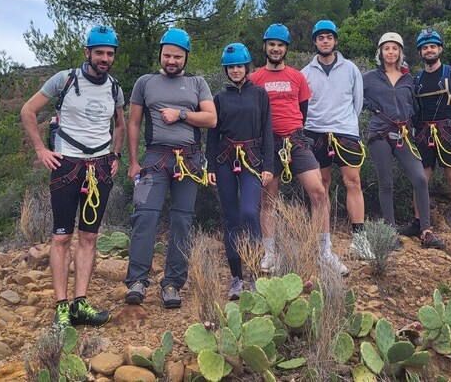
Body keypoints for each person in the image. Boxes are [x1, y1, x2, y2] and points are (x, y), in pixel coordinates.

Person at [20, 25, 125, 328]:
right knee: (62, 236)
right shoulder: (64, 80)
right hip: (67, 166)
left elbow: (120, 125)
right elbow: (28, 111)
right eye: (100, 52)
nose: (105, 58)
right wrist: (41, 149)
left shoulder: (115, 88)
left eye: (110, 53)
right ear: (87, 52)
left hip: (100, 167)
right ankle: (61, 306)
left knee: (90, 237)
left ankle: (81, 303)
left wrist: (116, 155)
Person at [124, 28, 217, 309]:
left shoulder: (198, 84)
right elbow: (134, 123)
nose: (172, 61)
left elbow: (211, 119)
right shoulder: (145, 83)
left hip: (188, 161)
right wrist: (133, 162)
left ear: (186, 56)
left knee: (182, 220)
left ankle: (173, 283)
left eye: (177, 56)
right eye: (167, 55)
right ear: (160, 54)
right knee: (145, 217)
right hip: (154, 160)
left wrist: (181, 115)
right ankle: (137, 281)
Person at [250, 23, 349, 275]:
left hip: (295, 140)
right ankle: (270, 253)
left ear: (286, 48)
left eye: (280, 45)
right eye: (271, 44)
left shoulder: (297, 77)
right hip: (268, 144)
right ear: (265, 47)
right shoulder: (255, 79)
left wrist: (293, 131)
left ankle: (324, 253)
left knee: (318, 192)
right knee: (268, 198)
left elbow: (303, 111)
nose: (275, 48)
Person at [362, 32, 445, 249]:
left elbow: (416, 107)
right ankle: (389, 232)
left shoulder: (409, 78)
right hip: (379, 133)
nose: (391, 52)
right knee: (386, 183)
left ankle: (425, 230)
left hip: (404, 134)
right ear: (380, 51)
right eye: (387, 48)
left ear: (400, 52)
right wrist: (370, 106)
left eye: (395, 48)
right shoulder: (369, 78)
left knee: (419, 178)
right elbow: (353, 98)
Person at [206, 43, 274, 299]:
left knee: (249, 212)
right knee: (231, 216)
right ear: (226, 69)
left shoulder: (260, 95)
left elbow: (267, 130)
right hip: (224, 160)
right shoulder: (219, 98)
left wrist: (269, 165)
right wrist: (210, 166)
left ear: (247, 67)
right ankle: (237, 277)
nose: (235, 70)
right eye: (231, 67)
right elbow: (212, 134)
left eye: (239, 66)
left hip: (253, 160)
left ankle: (255, 274)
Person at [302, 20, 374, 261]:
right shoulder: (305, 73)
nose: (325, 41)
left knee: (353, 181)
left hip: (345, 131)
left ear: (335, 41)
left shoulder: (351, 69)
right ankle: (323, 244)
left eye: (329, 37)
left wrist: (347, 125)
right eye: (320, 37)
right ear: (314, 41)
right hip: (315, 131)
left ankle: (359, 239)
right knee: (320, 186)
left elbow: (358, 102)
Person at [404, 27, 451, 248]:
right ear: (420, 52)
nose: (429, 50)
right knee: (420, 180)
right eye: (425, 47)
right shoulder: (416, 79)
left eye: (433, 46)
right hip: (423, 133)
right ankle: (418, 223)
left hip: (447, 132)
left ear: (440, 49)